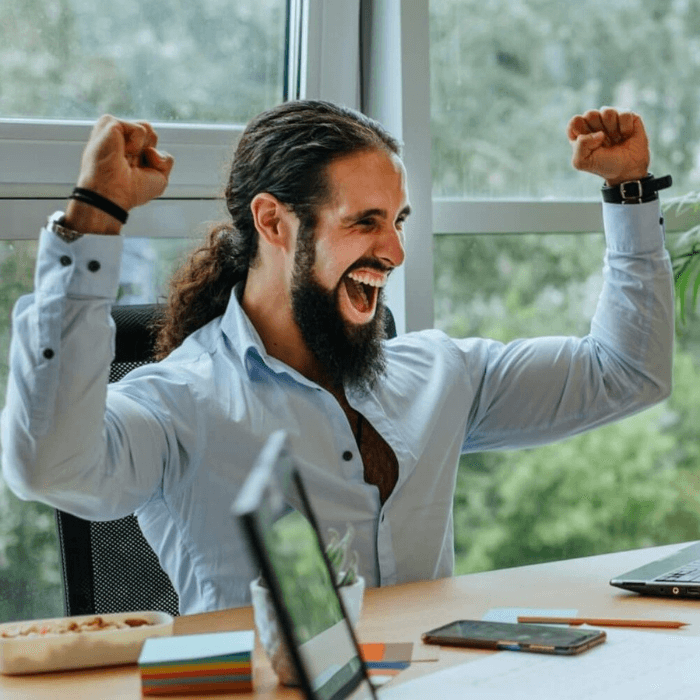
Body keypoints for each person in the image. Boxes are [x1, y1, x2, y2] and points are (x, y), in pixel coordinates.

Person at [1, 101, 673, 614]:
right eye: (365, 221)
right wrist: (92, 220)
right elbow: (51, 467)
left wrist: (630, 193)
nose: (395, 251)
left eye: (398, 220)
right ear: (273, 223)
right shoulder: (179, 402)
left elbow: (627, 374)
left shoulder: (438, 374)